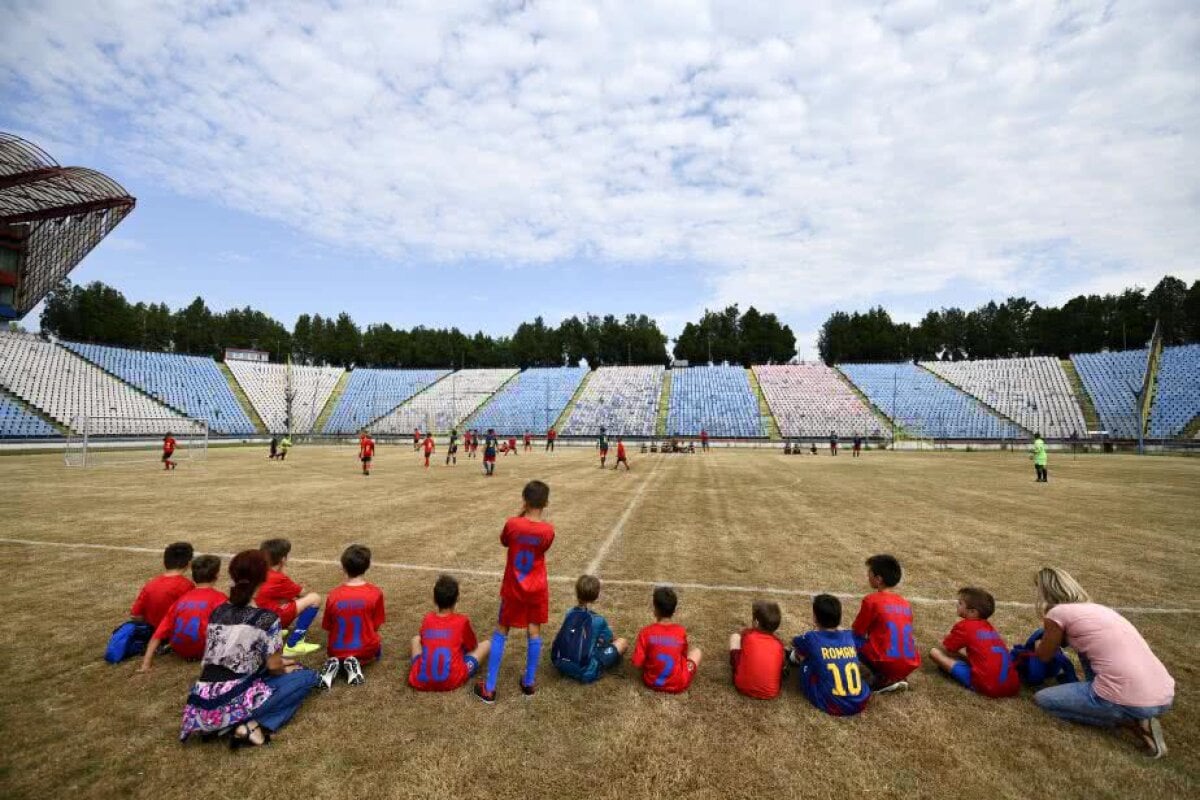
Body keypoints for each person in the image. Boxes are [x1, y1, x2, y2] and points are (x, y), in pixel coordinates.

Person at [179, 549, 319, 748]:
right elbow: (274, 667)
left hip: (200, 702)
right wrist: (285, 667)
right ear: (263, 578)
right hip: (230, 698)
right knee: (307, 677)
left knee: (284, 671)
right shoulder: (267, 619)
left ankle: (227, 723)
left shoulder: (218, 612)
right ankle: (250, 725)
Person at [1030, 568, 1174, 758]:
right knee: (1086, 651)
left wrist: (1038, 643)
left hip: (1127, 698)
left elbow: (1043, 655)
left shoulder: (1058, 612)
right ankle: (1133, 712)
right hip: (1164, 694)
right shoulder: (1100, 609)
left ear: (1045, 591)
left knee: (1044, 700)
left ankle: (1131, 721)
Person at [475, 480, 555, 703]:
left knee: (502, 630)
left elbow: (504, 541)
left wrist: (520, 515)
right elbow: (543, 546)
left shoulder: (512, 524)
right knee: (534, 631)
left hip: (513, 587)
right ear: (546, 502)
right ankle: (529, 682)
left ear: (524, 500)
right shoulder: (548, 530)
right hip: (537, 588)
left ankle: (489, 687)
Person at [929, 587, 1020, 698]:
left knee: (934, 652)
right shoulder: (989, 627)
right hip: (1012, 685)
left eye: (960, 603)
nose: (957, 605)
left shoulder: (965, 626)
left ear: (973, 612)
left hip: (988, 686)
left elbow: (948, 650)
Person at [139, 555, 226, 672]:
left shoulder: (181, 600)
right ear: (216, 576)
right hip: (204, 650)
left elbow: (159, 632)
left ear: (193, 578)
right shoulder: (220, 598)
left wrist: (146, 664)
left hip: (180, 649)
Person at [789, 594, 870, 716]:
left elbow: (795, 642)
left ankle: (792, 659)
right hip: (859, 700)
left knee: (805, 658)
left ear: (815, 618)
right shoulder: (849, 636)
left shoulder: (812, 637)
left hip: (831, 703)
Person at [320, 544, 386, 689]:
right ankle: (357, 661)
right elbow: (376, 625)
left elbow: (329, 626)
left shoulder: (333, 595)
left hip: (335, 649)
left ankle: (339, 661)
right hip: (365, 648)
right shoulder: (375, 593)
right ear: (368, 566)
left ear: (343, 567)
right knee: (377, 646)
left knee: (343, 646)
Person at [409, 575, 490, 692]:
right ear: (457, 599)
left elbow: (423, 642)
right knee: (487, 644)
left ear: (434, 599)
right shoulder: (462, 621)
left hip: (420, 678)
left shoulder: (427, 619)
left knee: (415, 639)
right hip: (452, 679)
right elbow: (472, 646)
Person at [852, 554, 920, 692]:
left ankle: (883, 678)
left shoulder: (871, 600)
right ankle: (898, 676)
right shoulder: (905, 603)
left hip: (886, 661)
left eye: (869, 574)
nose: (867, 577)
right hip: (910, 662)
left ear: (878, 579)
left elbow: (857, 631)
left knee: (847, 638)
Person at [552, 575, 627, 683]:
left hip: (560, 664)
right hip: (585, 671)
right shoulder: (598, 620)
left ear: (577, 592)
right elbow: (609, 638)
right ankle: (592, 667)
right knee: (622, 642)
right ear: (596, 596)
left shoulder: (569, 613)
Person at [255, 539, 322, 656]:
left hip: (256, 619)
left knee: (285, 599)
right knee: (314, 598)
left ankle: (274, 632)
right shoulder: (278, 578)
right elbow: (302, 594)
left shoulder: (256, 571)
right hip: (270, 618)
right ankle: (293, 644)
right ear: (283, 559)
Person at [632, 586, 703, 694]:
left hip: (651, 682)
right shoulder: (681, 631)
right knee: (697, 652)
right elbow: (683, 655)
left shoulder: (645, 632)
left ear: (655, 610)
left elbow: (637, 663)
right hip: (679, 683)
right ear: (674, 611)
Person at [130, 542, 195, 630]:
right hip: (174, 636)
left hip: (153, 635)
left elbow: (135, 615)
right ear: (189, 563)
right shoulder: (187, 586)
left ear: (164, 562)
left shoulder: (151, 584)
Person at [729, 601, 786, 700]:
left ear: (756, 622)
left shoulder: (748, 635)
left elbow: (742, 644)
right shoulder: (779, 644)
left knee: (735, 637)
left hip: (742, 686)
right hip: (771, 693)